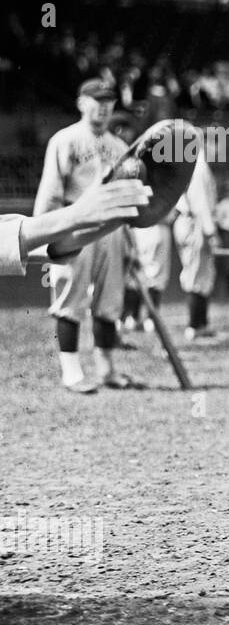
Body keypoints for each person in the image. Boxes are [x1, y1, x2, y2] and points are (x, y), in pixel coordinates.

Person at [32, 79, 140, 392]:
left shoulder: (120, 147)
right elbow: (51, 191)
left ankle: (107, 370)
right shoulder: (65, 139)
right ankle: (71, 370)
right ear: (82, 103)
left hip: (111, 226)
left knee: (110, 299)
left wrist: (129, 240)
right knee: (71, 295)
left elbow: (126, 195)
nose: (104, 107)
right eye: (97, 100)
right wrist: (44, 232)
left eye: (109, 101)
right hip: (74, 222)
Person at [0, 179, 150, 276]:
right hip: (68, 215)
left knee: (108, 308)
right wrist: (76, 214)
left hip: (77, 226)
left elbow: (50, 246)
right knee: (69, 309)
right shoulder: (63, 139)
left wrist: (107, 223)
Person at [173, 153, 221, 340]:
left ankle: (201, 323)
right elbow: (201, 205)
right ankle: (194, 324)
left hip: (191, 221)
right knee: (195, 275)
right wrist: (211, 232)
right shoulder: (198, 167)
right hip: (195, 222)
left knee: (203, 275)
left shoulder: (192, 164)